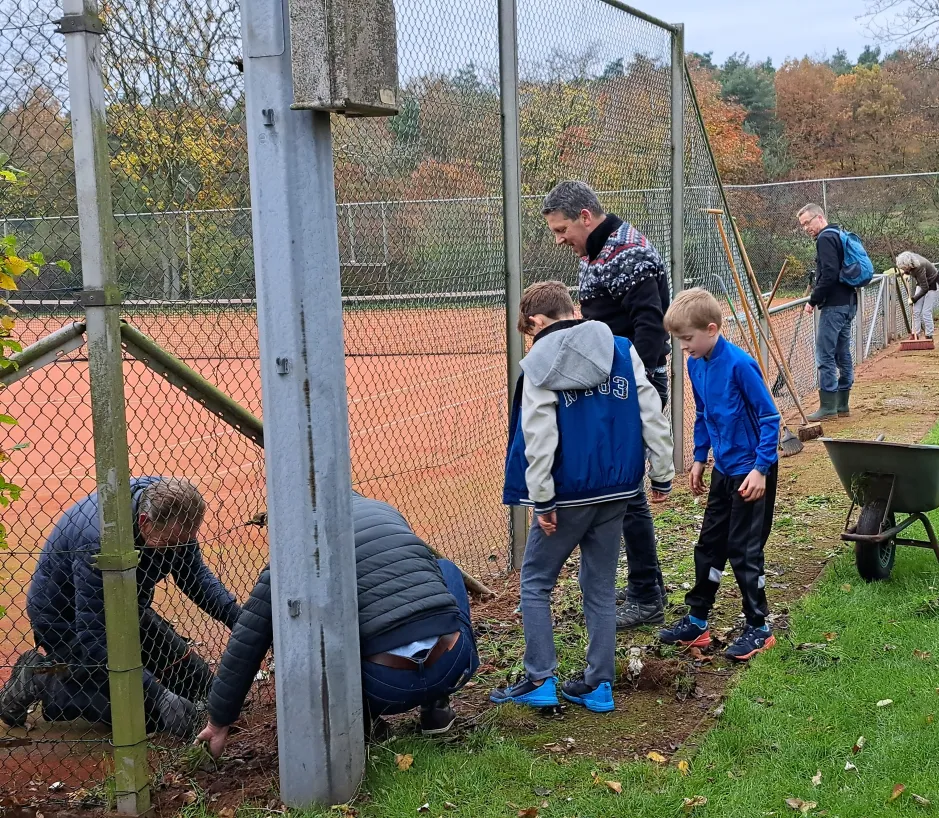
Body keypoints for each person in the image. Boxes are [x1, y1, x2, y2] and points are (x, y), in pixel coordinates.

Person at [492, 281, 674, 712]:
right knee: (599, 585)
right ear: (571, 309)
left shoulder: (538, 361)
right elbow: (651, 410)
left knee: (535, 582)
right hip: (619, 490)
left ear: (536, 321)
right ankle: (598, 685)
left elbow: (538, 436)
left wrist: (542, 499)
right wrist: (662, 475)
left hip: (568, 493)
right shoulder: (621, 348)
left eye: (529, 329)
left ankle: (540, 678)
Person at [196, 494, 479, 757]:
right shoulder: (382, 509)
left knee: (307, 614)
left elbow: (248, 636)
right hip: (452, 666)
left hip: (386, 688)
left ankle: (364, 719)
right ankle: (437, 707)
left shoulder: (298, 546)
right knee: (445, 571)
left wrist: (219, 720)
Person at [0, 478, 240, 736]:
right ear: (144, 522)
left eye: (185, 542)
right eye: (170, 543)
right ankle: (42, 675)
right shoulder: (98, 540)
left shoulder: (171, 508)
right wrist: (158, 696)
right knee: (149, 716)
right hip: (67, 622)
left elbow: (195, 578)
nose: (177, 550)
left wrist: (244, 623)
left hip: (126, 607)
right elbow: (93, 637)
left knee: (204, 690)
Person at [657, 289, 780, 661]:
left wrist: (761, 470)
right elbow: (705, 414)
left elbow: (770, 418)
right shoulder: (697, 363)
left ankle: (759, 627)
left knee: (744, 550)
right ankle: (697, 621)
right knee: (709, 545)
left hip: (751, 473)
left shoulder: (740, 365)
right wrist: (699, 458)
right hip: (723, 470)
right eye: (679, 340)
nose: (683, 347)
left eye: (687, 339)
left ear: (711, 330)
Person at [796, 203, 856, 421]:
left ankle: (828, 407)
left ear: (819, 217)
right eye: (802, 225)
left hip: (834, 305)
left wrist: (813, 300)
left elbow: (829, 274)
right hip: (848, 302)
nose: (805, 229)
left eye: (807, 223)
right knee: (842, 352)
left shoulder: (824, 238)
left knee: (825, 354)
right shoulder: (838, 233)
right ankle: (842, 405)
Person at [896, 251, 939, 340]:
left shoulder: (919, 266)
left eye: (905, 268)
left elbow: (925, 288)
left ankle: (929, 334)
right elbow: (911, 272)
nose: (904, 269)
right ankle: (915, 334)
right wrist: (906, 273)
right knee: (915, 310)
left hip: (933, 284)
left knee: (926, 311)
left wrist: (913, 299)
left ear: (909, 264)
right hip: (922, 283)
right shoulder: (911, 260)